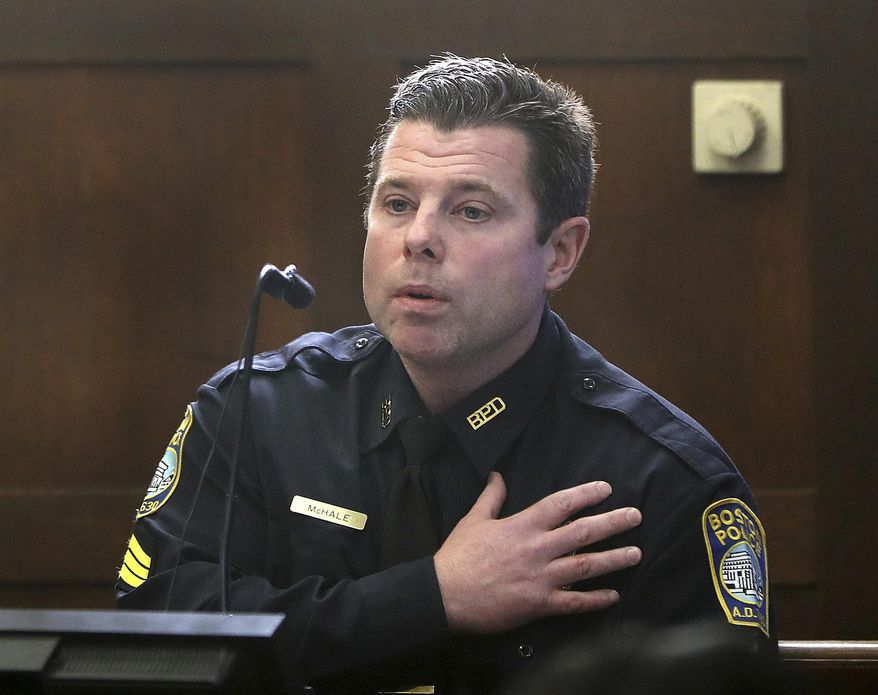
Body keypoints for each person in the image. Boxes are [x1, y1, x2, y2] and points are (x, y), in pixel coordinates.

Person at [116, 55, 773, 694]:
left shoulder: (661, 479)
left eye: (471, 211)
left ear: (560, 252)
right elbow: (152, 636)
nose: (419, 238)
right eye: (398, 202)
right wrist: (431, 598)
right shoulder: (258, 411)